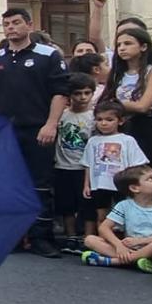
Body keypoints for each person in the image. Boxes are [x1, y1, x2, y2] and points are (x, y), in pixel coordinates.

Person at [0, 7, 70, 258]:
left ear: (29, 25)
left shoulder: (47, 55)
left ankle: (41, 237)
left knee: (39, 185)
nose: (11, 28)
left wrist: (51, 124)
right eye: (6, 24)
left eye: (16, 23)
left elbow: (60, 92)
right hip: (3, 133)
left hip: (37, 129)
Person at [99, 28, 152, 175]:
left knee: (147, 171)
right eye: (119, 45)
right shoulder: (116, 74)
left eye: (128, 43)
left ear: (143, 47)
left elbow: (143, 106)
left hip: (144, 127)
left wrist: (116, 104)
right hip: (120, 126)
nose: (122, 48)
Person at [82, 166, 152, 270]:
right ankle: (139, 260)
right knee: (90, 240)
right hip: (130, 248)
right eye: (150, 178)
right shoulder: (124, 205)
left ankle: (116, 261)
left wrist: (140, 241)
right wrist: (119, 245)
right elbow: (104, 228)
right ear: (134, 188)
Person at [52, 73, 97, 251]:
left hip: (84, 168)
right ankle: (71, 236)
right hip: (62, 165)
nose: (83, 97)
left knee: (86, 204)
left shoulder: (94, 117)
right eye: (78, 93)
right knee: (66, 204)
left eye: (87, 93)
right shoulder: (61, 115)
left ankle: (87, 237)